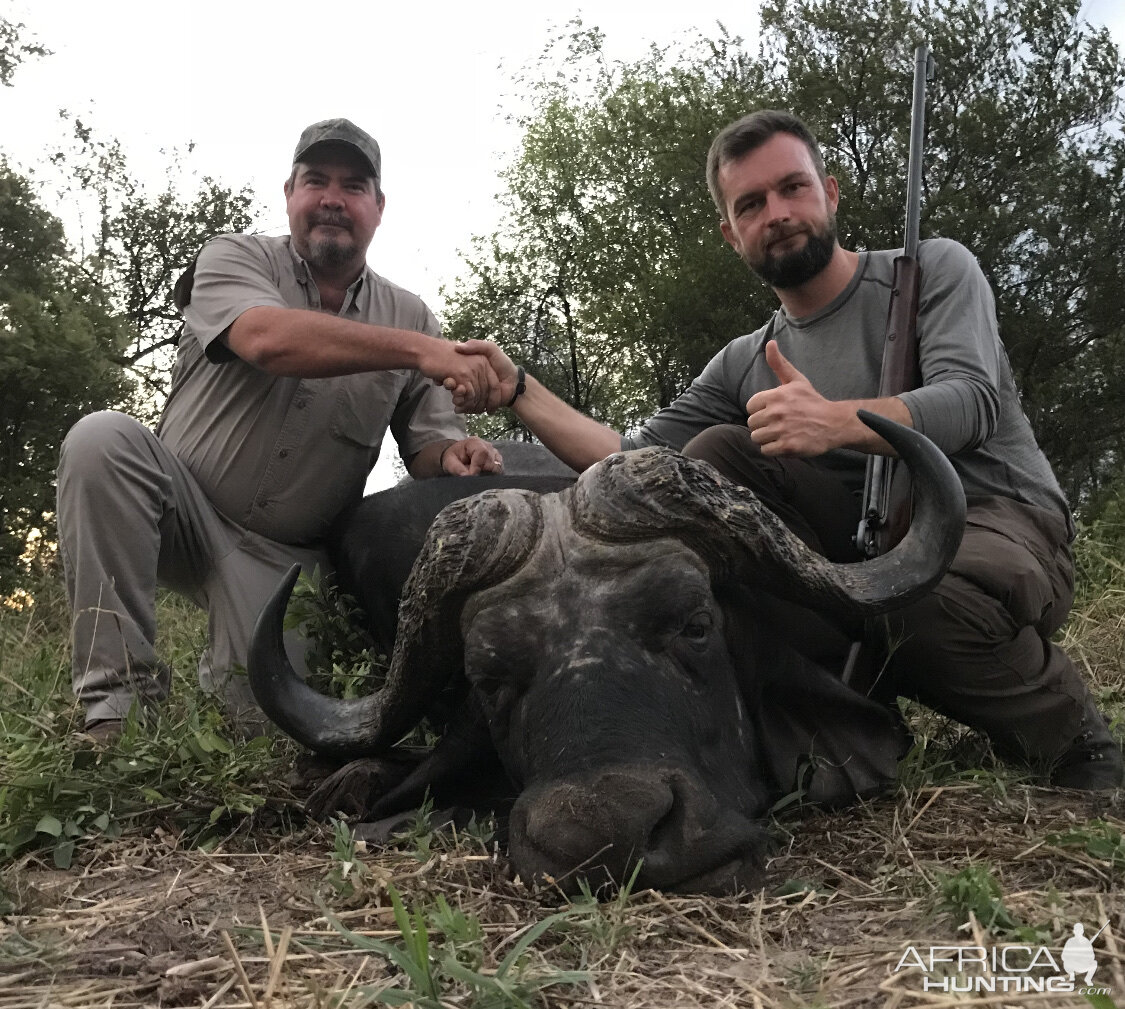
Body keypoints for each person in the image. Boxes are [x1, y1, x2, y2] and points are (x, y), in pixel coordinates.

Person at [451, 109, 1124, 790]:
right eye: (750, 203)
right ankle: (842, 716)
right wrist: (518, 390)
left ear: (828, 193)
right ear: (730, 232)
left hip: (996, 519)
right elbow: (629, 458)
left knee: (906, 594)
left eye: (791, 188)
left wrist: (837, 421)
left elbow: (972, 402)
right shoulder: (744, 360)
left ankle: (1076, 739)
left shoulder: (935, 270)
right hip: (857, 556)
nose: (776, 212)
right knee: (712, 457)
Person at [57, 118, 505, 740]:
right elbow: (266, 338)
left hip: (288, 560)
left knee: (266, 731)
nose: (332, 199)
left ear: (379, 208)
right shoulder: (234, 257)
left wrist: (458, 453)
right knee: (100, 439)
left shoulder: (411, 315)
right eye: (315, 180)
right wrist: (421, 350)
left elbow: (428, 446)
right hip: (179, 508)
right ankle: (115, 708)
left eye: (353, 186)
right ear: (289, 192)